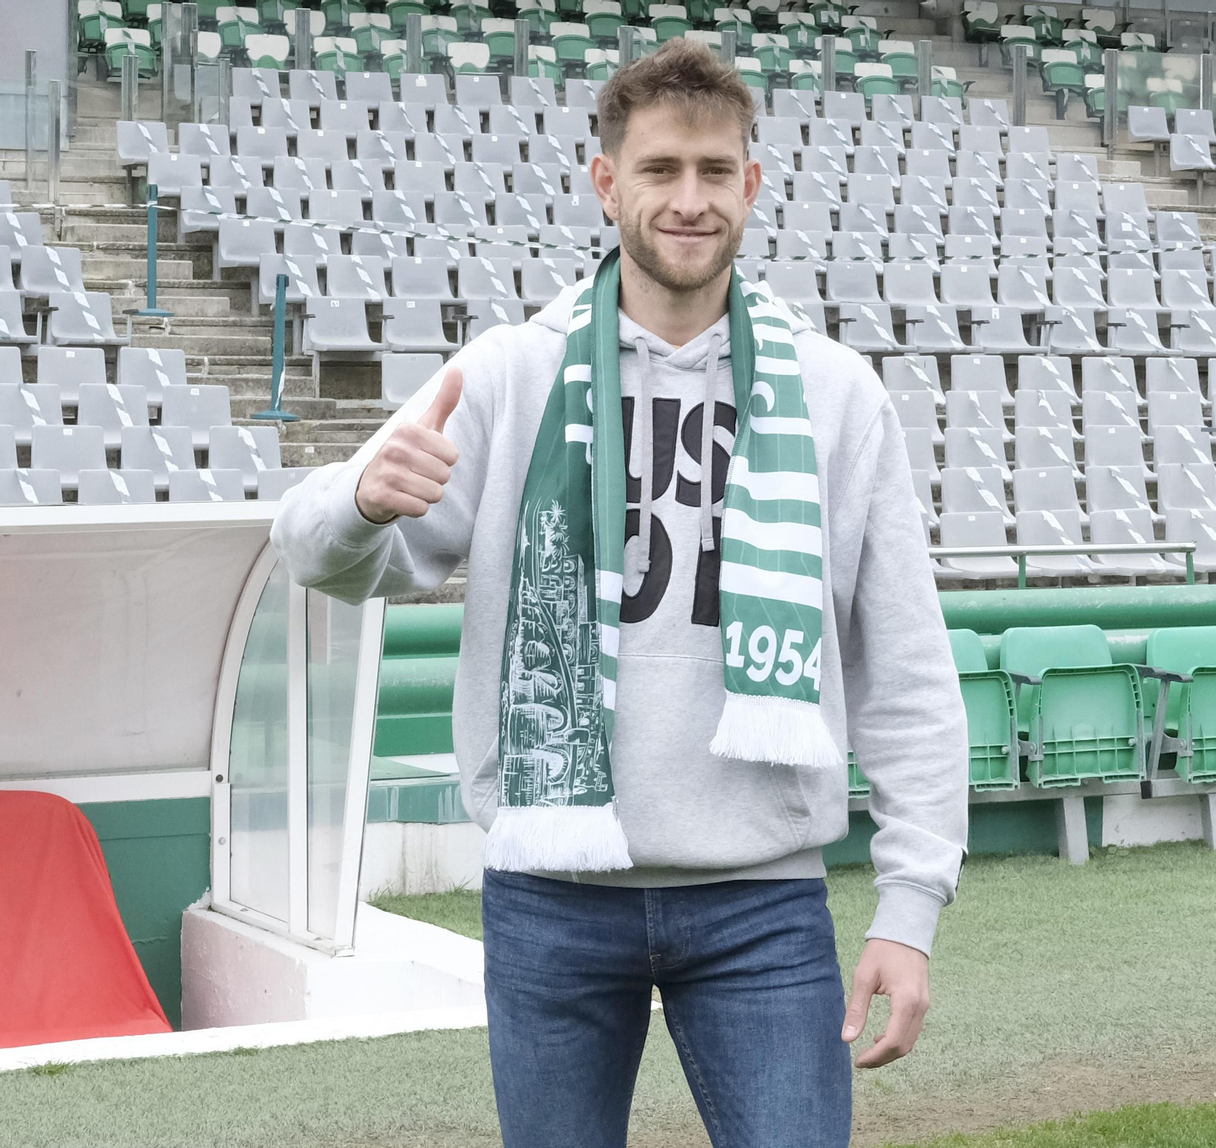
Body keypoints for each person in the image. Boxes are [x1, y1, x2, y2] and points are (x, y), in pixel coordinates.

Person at [271, 38, 968, 1148]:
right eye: (658, 171)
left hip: (761, 898)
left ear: (751, 183)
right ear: (608, 182)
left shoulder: (835, 396)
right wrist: (358, 495)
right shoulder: (511, 372)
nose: (686, 200)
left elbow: (909, 671)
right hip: (552, 889)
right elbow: (330, 558)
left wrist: (909, 909)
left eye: (711, 171)